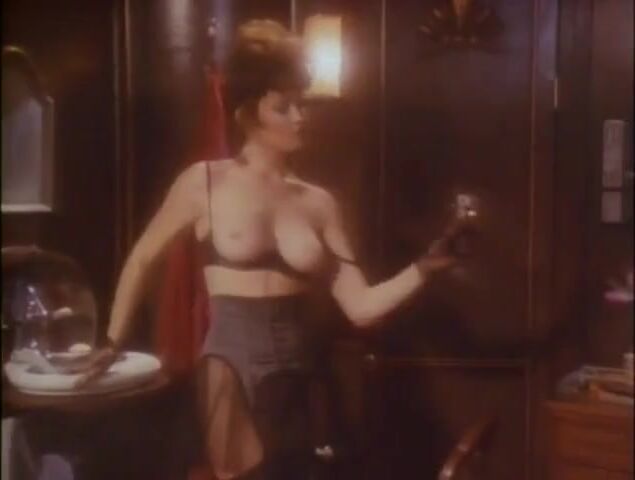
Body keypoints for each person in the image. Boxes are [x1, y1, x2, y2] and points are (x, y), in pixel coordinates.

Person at [78, 19, 461, 480]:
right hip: (229, 371)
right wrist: (113, 341)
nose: (300, 117)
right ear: (247, 113)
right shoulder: (203, 184)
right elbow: (142, 259)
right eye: (284, 107)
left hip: (303, 381)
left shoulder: (319, 203)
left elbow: (361, 307)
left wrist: (425, 267)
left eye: (302, 104)